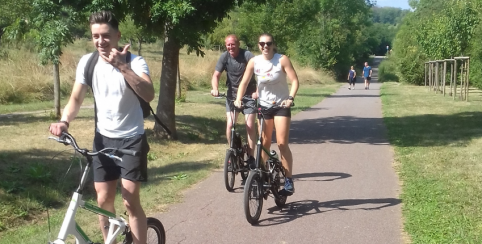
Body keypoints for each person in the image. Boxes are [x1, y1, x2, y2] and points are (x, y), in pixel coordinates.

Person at [48, 11, 153, 244]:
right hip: (103, 140)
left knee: (129, 200)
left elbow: (149, 93)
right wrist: (64, 121)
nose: (100, 41)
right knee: (103, 200)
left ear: (117, 35)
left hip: (131, 139)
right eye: (95, 36)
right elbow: (76, 99)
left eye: (105, 35)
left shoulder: (135, 62)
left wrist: (122, 67)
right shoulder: (88, 62)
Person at [234, 33, 299, 195]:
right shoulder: (254, 62)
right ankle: (263, 176)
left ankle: (289, 179)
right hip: (263, 106)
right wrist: (238, 99)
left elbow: (295, 80)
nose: (265, 46)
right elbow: (244, 82)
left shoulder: (282, 59)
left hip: (281, 105)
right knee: (263, 144)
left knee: (282, 143)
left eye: (268, 43)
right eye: (262, 43)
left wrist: (290, 98)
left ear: (273, 44)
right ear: (258, 45)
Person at [211, 34, 257, 165]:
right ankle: (232, 151)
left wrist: (258, 91)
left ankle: (251, 157)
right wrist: (215, 88)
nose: (230, 47)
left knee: (249, 126)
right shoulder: (224, 57)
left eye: (233, 44)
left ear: (238, 44)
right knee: (230, 125)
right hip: (232, 96)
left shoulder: (247, 55)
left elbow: (260, 72)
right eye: (228, 45)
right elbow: (216, 75)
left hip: (249, 96)